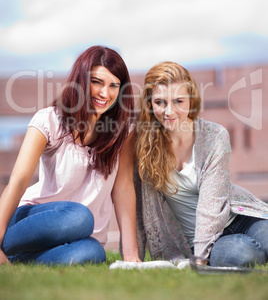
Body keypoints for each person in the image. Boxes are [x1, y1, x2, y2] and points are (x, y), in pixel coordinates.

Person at [117, 61, 268, 267]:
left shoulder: (214, 136)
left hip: (237, 218)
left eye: (178, 101)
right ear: (149, 103)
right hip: (203, 243)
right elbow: (129, 195)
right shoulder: (139, 141)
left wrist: (200, 259)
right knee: (240, 255)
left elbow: (211, 206)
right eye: (160, 102)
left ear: (191, 100)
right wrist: (132, 255)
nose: (169, 111)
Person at [0, 45, 136, 265]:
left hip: (82, 235)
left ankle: (17, 261)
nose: (105, 93)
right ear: (81, 81)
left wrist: (131, 256)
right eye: (97, 82)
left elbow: (123, 188)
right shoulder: (49, 120)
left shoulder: (124, 130)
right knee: (79, 216)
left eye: (114, 86)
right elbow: (18, 181)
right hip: (34, 221)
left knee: (93, 252)